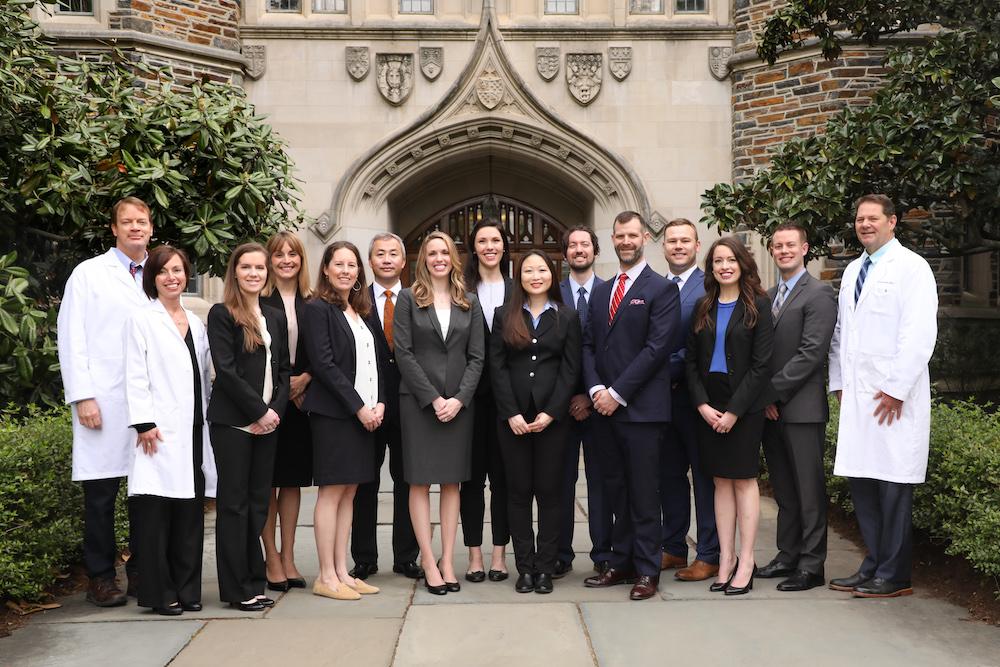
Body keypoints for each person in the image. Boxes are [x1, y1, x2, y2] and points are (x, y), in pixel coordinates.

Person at [828, 194, 937, 599]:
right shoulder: (854, 269)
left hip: (894, 400)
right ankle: (873, 562)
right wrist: (838, 381)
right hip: (858, 399)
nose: (865, 224)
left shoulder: (912, 268)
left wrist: (895, 388)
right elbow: (842, 332)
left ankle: (894, 575)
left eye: (873, 218)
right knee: (863, 484)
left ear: (892, 222)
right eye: (859, 219)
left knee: (892, 488)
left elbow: (919, 333)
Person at [57, 196, 152, 607]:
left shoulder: (161, 272)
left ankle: (142, 571)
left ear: (151, 227)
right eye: (126, 222)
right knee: (101, 494)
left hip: (148, 402)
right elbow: (71, 337)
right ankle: (101, 577)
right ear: (113, 229)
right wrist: (83, 396)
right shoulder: (88, 275)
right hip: (104, 401)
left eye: (142, 221)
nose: (135, 227)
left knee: (147, 493)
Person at [582, 211, 681, 601]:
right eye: (619, 235)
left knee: (643, 493)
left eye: (632, 235)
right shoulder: (603, 290)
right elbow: (588, 344)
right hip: (604, 409)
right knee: (615, 490)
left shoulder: (661, 289)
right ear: (613, 238)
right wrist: (595, 390)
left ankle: (646, 570)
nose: (625, 241)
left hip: (642, 411)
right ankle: (620, 562)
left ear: (644, 238)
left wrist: (617, 393)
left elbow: (657, 349)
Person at [123, 246, 216, 616]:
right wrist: (144, 422)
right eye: (163, 271)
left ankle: (189, 589)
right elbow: (134, 372)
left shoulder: (195, 322)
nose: (172, 277)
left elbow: (205, 376)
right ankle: (161, 594)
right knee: (157, 514)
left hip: (195, 428)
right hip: (158, 431)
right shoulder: (142, 318)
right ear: (153, 278)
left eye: (178, 270)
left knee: (190, 514)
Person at [394, 231, 485, 595]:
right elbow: (404, 352)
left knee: (452, 483)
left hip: (460, 406)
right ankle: (428, 561)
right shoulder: (407, 298)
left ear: (453, 258)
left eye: (444, 252)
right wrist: (433, 399)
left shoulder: (470, 301)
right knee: (418, 481)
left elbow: (477, 356)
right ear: (423, 260)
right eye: (431, 253)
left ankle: (449, 560)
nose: (438, 258)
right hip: (419, 404)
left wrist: (459, 399)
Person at [686, 236, 774, 596]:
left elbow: (761, 365)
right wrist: (703, 406)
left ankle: (747, 561)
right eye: (717, 261)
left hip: (745, 406)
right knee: (719, 482)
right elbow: (691, 362)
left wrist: (734, 412)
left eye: (730, 260)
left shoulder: (759, 305)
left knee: (743, 480)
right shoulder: (702, 306)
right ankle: (725, 559)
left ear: (742, 264)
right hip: (709, 405)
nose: (724, 266)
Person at [491, 251, 581, 594]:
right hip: (512, 418)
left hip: (552, 420)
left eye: (541, 269)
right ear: (520, 276)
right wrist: (511, 412)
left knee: (549, 492)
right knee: (517, 493)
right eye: (528, 270)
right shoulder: (505, 315)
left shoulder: (567, 317)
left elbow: (571, 369)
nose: (535, 275)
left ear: (552, 273)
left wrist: (552, 412)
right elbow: (496, 367)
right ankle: (524, 567)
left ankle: (545, 568)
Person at [207, 243, 290, 611]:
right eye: (246, 267)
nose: (254, 273)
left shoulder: (274, 315)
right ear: (235, 272)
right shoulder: (222, 313)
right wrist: (258, 412)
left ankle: (255, 582)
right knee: (234, 505)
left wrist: (274, 412)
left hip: (268, 424)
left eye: (260, 267)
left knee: (258, 505)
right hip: (234, 424)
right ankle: (236, 589)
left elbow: (285, 372)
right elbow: (226, 371)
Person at [301, 241, 385, 601]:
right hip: (336, 415)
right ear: (326, 269)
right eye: (339, 264)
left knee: (350, 492)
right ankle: (324, 576)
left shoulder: (361, 311)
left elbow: (374, 361)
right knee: (332, 492)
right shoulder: (317, 309)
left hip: (364, 415)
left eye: (352, 265)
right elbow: (324, 365)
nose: (346, 270)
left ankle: (342, 571)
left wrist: (379, 402)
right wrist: (358, 407)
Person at [758, 223, 838, 592]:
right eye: (778, 246)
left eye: (791, 245)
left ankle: (811, 564)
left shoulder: (819, 294)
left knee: (808, 490)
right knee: (784, 490)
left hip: (802, 409)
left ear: (805, 248)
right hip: (772, 410)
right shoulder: (770, 294)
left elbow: (811, 354)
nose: (784, 251)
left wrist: (771, 394)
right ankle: (786, 555)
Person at [350, 233, 423, 581]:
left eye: (394, 253)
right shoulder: (355, 300)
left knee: (407, 479)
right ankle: (364, 557)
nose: (387, 259)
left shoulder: (415, 299)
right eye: (380, 254)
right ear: (371, 259)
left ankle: (406, 556)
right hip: (368, 403)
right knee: (364, 480)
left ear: (403, 260)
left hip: (409, 401)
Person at [659, 218, 720, 582]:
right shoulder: (657, 286)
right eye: (671, 241)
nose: (678, 246)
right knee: (668, 477)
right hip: (661, 403)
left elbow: (700, 349)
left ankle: (709, 552)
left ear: (697, 246)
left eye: (685, 241)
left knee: (703, 479)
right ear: (663, 247)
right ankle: (673, 546)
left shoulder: (708, 288)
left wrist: (655, 372)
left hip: (696, 400)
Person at [556, 226, 611, 578]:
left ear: (595, 250)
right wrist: (568, 396)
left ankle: (604, 552)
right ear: (565, 255)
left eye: (584, 245)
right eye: (572, 246)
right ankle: (560, 553)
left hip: (602, 404)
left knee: (602, 482)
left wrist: (591, 394)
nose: (579, 250)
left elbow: (613, 351)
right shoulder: (551, 292)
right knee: (559, 482)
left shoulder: (610, 292)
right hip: (559, 407)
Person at [260, 231, 313, 592]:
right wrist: (283, 388)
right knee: (267, 482)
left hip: (303, 400)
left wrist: (305, 379)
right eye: (278, 255)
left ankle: (290, 555)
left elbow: (323, 349)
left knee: (292, 480)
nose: (286, 260)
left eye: (292, 254)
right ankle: (271, 557)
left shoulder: (313, 300)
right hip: (267, 400)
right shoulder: (259, 299)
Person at [460, 219, 512, 583]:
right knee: (472, 480)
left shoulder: (518, 288)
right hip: (470, 400)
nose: (490, 246)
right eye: (483, 241)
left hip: (509, 401)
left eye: (496, 240)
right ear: (473, 248)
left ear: (504, 247)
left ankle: (499, 554)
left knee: (505, 481)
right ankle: (474, 554)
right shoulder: (461, 290)